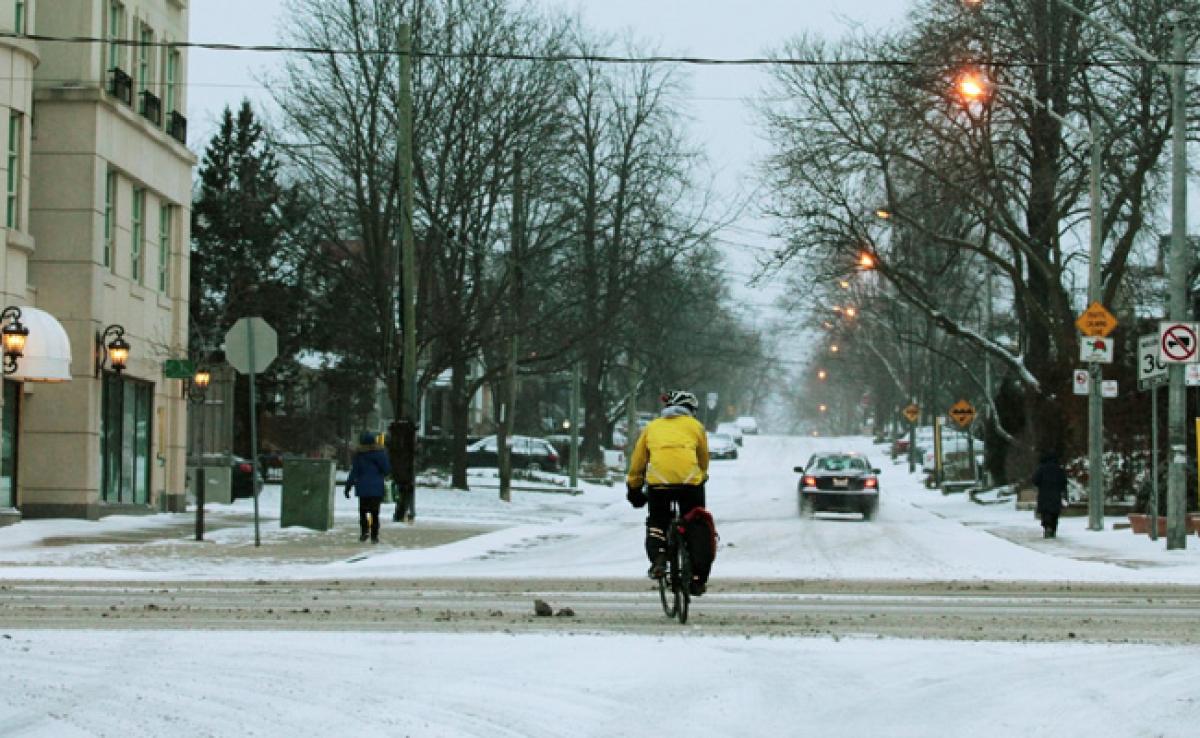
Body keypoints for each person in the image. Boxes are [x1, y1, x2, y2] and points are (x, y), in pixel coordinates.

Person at [625, 390, 711, 596]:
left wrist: (634, 488)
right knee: (697, 523)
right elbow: (703, 460)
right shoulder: (696, 427)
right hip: (690, 483)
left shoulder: (652, 427)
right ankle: (697, 576)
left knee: (657, 521)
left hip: (659, 485)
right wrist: (701, 476)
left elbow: (638, 462)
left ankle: (659, 558)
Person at [345, 431, 392, 543]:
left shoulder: (359, 455)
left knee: (363, 512)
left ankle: (364, 532)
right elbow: (386, 470)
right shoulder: (381, 453)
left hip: (363, 488)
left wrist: (348, 487)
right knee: (375, 513)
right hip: (376, 488)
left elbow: (354, 472)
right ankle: (374, 536)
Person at [1032, 451, 1068, 538]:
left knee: (1045, 512)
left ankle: (1047, 527)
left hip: (1044, 494)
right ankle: (1053, 529)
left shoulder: (1041, 469)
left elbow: (1035, 480)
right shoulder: (1059, 469)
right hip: (1056, 495)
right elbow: (1064, 482)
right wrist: (1062, 491)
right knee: (1054, 513)